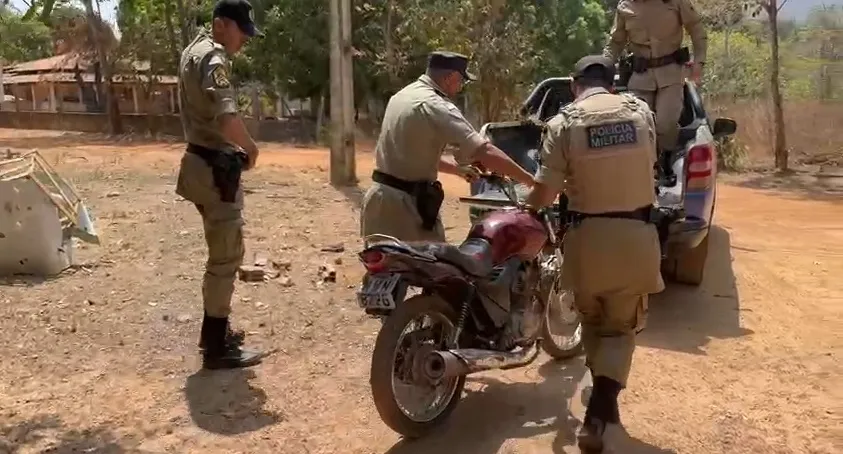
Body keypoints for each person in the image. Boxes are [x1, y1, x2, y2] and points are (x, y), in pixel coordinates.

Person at [524, 55, 665, 452]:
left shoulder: (563, 123)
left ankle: (604, 406)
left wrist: (528, 206)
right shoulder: (642, 114)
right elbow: (649, 162)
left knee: (592, 319)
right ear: (613, 84)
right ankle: (599, 412)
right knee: (621, 327)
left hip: (586, 240)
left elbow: (545, 192)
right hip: (636, 236)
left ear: (574, 85)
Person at [360, 51, 535, 243]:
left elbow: (413, 155)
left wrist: (456, 170)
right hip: (407, 210)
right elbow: (484, 151)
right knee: (434, 268)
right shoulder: (437, 106)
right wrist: (530, 181)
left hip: (379, 201)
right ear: (450, 77)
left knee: (387, 270)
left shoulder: (402, 97)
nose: (460, 87)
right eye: (461, 81)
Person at [175, 0, 264, 370]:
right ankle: (215, 346)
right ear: (221, 25)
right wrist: (251, 148)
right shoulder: (213, 58)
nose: (243, 39)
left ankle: (213, 331)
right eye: (240, 31)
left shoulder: (191, 52)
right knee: (226, 257)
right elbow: (227, 117)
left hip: (200, 163)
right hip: (214, 169)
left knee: (221, 254)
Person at [603, 0, 707, 183]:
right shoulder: (625, 6)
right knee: (637, 124)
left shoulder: (676, 2)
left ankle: (665, 160)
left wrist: (699, 62)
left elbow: (696, 28)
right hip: (640, 77)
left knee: (666, 123)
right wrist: (602, 68)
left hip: (671, 74)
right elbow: (616, 42)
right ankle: (642, 170)